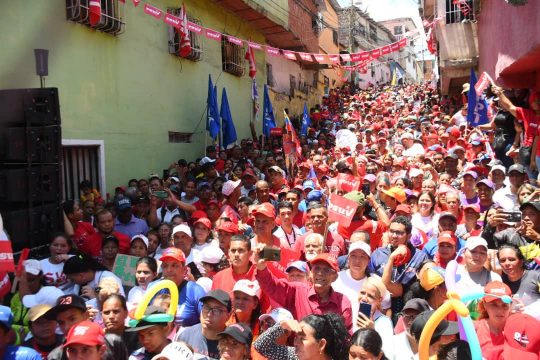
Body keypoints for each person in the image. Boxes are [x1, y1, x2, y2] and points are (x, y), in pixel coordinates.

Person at [255, 251, 353, 331]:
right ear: (310, 273)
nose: (320, 273)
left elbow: (346, 336)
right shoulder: (297, 290)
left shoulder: (343, 303)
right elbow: (272, 287)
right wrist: (262, 267)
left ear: (335, 277)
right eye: (316, 268)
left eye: (326, 270)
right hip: (297, 352)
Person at [369, 216, 428, 319]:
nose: (394, 236)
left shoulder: (420, 257)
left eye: (399, 233)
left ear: (409, 236)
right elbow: (369, 282)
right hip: (380, 310)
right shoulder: (378, 254)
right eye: (391, 231)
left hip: (408, 312)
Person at [253, 313, 350, 360]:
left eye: (302, 338)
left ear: (321, 344)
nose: (295, 343)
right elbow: (260, 347)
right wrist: (280, 326)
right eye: (296, 337)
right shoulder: (294, 356)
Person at [176, 290, 232, 359]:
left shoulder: (232, 344)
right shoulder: (186, 335)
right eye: (206, 307)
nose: (209, 314)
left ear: (228, 316)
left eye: (217, 310)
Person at [157, 247, 206, 327]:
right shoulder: (156, 289)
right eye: (165, 266)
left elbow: (206, 323)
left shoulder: (195, 291)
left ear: (184, 269)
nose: (169, 270)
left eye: (174, 265)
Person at [332, 241, 371, 332]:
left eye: (362, 256)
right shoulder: (335, 279)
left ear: (368, 260)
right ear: (348, 258)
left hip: (362, 334)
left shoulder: (375, 282)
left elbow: (385, 309)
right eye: (353, 256)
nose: (357, 261)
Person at [474, 281, 512, 360]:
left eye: (504, 305)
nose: (500, 311)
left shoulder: (517, 329)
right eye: (494, 305)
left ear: (511, 305)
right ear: (484, 305)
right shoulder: (474, 329)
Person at [356, 276, 393, 351]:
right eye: (362, 293)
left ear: (380, 300)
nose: (364, 298)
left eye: (370, 296)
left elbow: (387, 352)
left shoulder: (384, 322)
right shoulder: (350, 311)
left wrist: (372, 331)